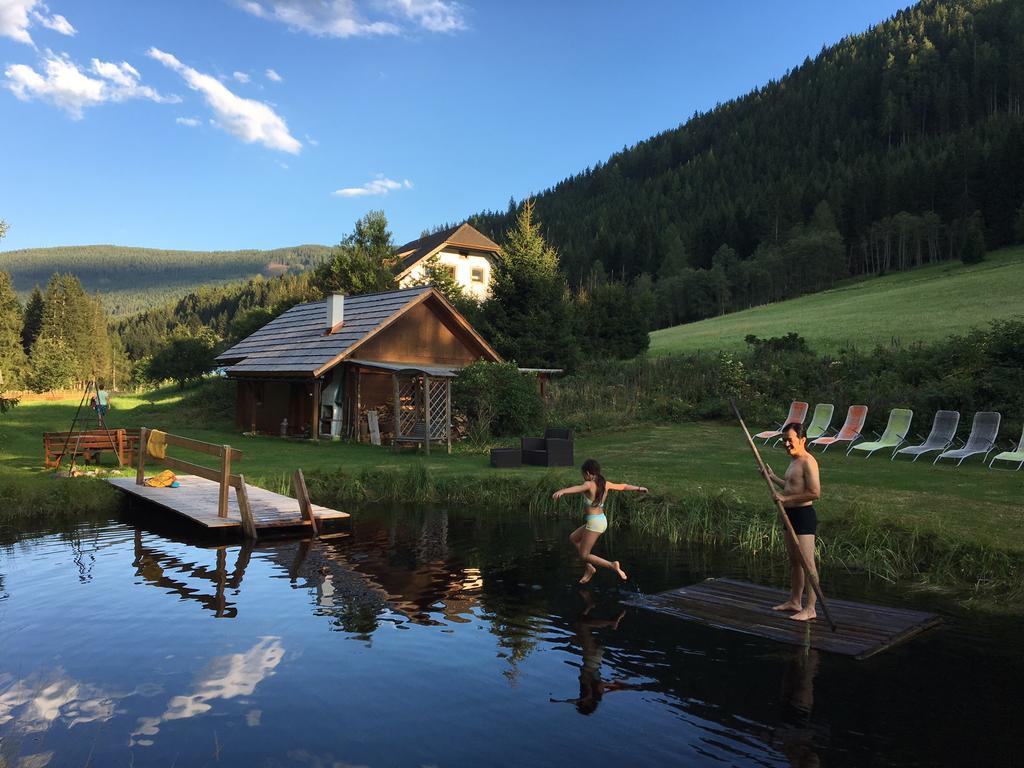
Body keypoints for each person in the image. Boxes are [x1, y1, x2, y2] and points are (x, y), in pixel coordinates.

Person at [552, 458, 648, 584]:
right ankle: (589, 568)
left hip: (594, 523)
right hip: (601, 520)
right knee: (574, 538)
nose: (583, 477)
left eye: (583, 474)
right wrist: (638, 488)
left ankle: (611, 565)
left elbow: (577, 488)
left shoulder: (589, 484)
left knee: (584, 555)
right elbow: (622, 486)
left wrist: (562, 491)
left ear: (588, 473)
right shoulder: (605, 483)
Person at [762, 422, 822, 621]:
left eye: (790, 440)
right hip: (790, 516)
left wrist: (785, 499)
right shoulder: (794, 460)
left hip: (804, 516)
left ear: (802, 440)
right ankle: (795, 601)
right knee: (795, 562)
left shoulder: (808, 461)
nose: (786, 444)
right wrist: (772, 478)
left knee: (807, 564)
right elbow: (791, 486)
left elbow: (815, 492)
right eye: (784, 440)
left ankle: (811, 608)